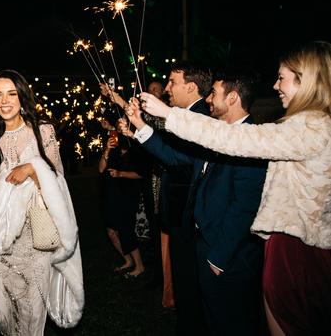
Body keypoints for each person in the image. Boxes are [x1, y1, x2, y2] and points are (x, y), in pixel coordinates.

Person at [138, 41, 331, 336]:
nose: (276, 85)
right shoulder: (311, 125)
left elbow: (237, 140)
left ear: (306, 81)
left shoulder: (313, 127)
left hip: (296, 254)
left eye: (282, 77)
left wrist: (169, 114)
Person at [126, 71, 268, 335]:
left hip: (229, 259)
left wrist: (218, 260)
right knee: (210, 320)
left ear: (234, 98)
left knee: (233, 324)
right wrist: (140, 125)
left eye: (214, 93)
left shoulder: (252, 141)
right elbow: (175, 157)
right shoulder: (216, 136)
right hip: (204, 247)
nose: (209, 99)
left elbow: (244, 207)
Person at [0, 69, 84, 334]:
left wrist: (34, 168)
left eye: (11, 94)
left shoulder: (43, 131)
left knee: (32, 314)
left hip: (34, 237)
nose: (4, 101)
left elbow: (58, 181)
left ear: (23, 97)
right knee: (0, 316)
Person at [98, 121, 148, 277]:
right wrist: (106, 150)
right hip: (111, 193)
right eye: (119, 127)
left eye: (123, 127)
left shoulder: (138, 149)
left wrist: (120, 174)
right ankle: (128, 260)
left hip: (127, 194)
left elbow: (141, 174)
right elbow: (100, 169)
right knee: (111, 231)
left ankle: (140, 266)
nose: (120, 129)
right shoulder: (114, 145)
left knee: (126, 230)